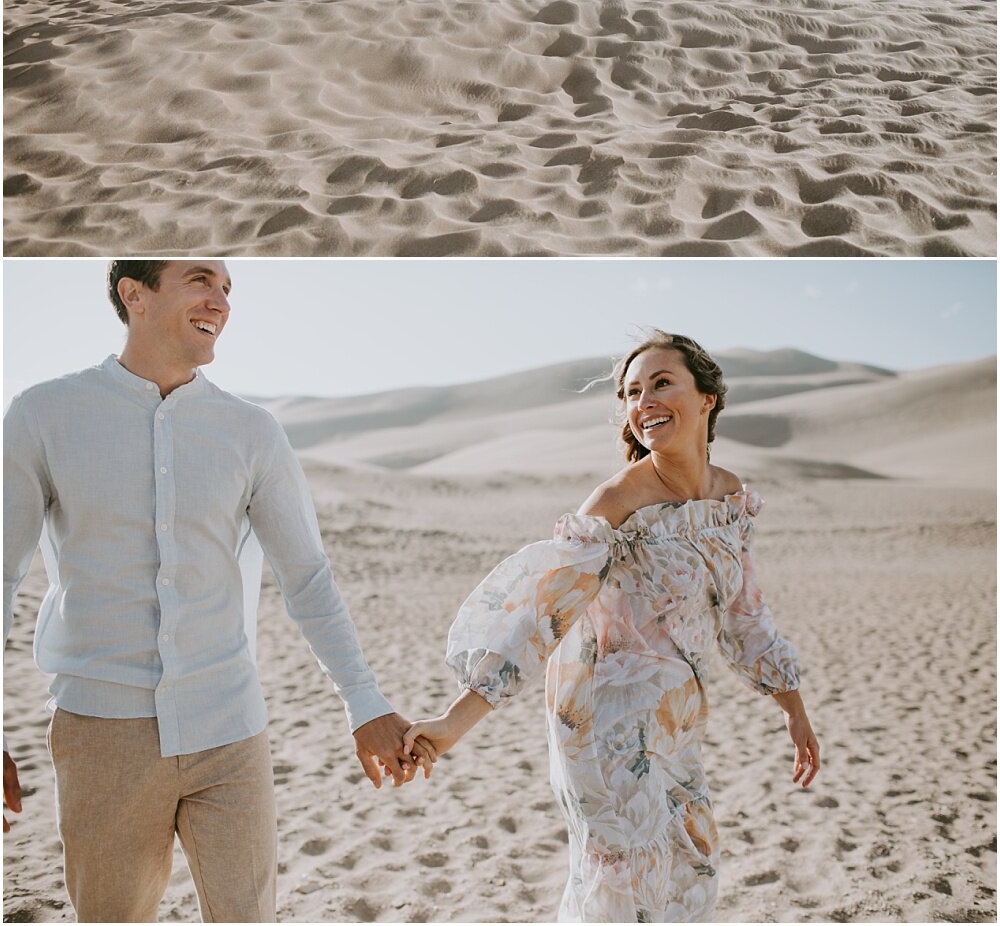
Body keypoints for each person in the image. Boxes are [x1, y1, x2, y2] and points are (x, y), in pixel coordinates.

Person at [3, 260, 434, 924]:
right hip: (101, 733)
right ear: (134, 294)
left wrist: (364, 701)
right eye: (202, 280)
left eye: (228, 288)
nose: (221, 300)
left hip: (230, 729)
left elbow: (307, 577)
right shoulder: (44, 414)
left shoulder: (251, 432)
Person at [403, 331, 820, 924]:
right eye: (632, 392)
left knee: (690, 868)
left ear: (708, 397)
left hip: (679, 723)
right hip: (604, 725)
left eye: (661, 383)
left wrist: (793, 707)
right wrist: (453, 722)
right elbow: (539, 613)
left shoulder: (730, 499)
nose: (644, 400)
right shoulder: (617, 500)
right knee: (623, 883)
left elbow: (745, 616)